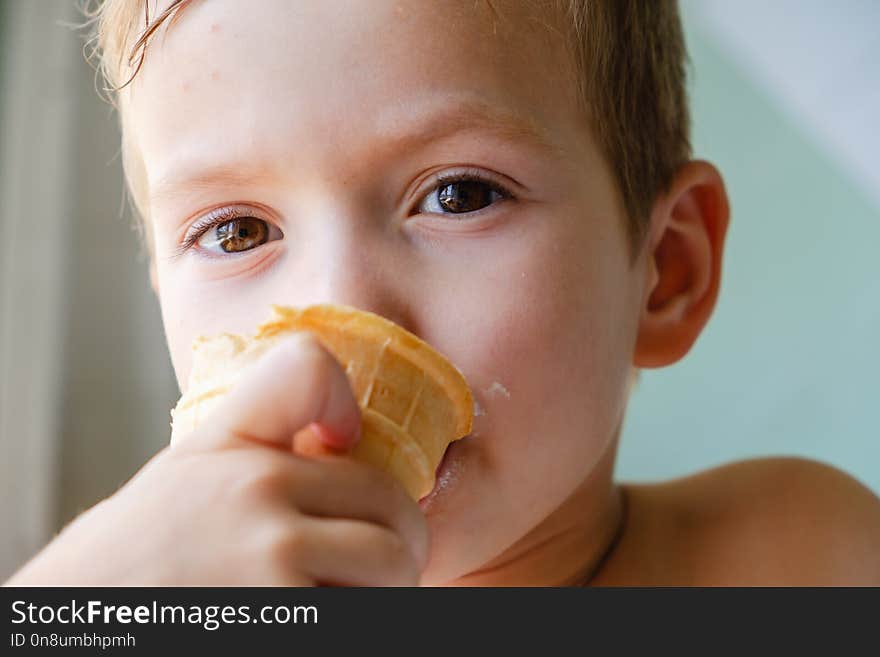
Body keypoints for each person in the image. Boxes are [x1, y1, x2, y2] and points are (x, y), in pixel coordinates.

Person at [8, 0, 880, 586]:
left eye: (459, 194)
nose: (339, 317)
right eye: (238, 232)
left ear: (667, 273)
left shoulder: (798, 553)